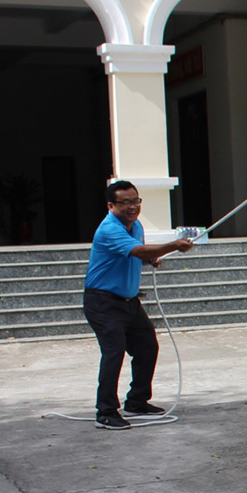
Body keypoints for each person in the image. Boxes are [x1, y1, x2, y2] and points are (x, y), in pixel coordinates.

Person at [82, 181, 194, 431]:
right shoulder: (109, 229)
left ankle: (136, 401)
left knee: (147, 347)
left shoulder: (136, 226)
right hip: (103, 302)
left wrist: (150, 260)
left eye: (136, 201)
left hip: (129, 302)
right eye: (125, 202)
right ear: (111, 205)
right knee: (114, 352)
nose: (132, 207)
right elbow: (138, 250)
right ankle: (105, 412)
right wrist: (173, 245)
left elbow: (135, 254)